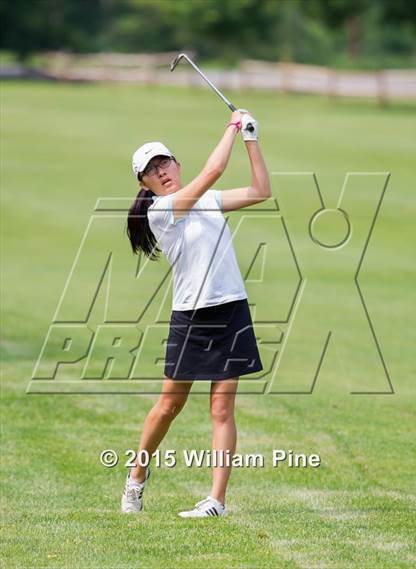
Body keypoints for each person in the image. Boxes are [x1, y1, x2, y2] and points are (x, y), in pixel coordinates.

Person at [122, 109, 271, 517]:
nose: (162, 172)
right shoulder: (161, 211)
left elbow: (261, 191)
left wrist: (252, 139)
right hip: (191, 317)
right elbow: (216, 168)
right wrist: (232, 127)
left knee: (222, 409)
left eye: (165, 162)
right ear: (145, 184)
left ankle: (216, 501)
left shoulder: (207, 201)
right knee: (170, 405)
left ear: (176, 164)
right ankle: (137, 475)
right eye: (152, 170)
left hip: (230, 310)